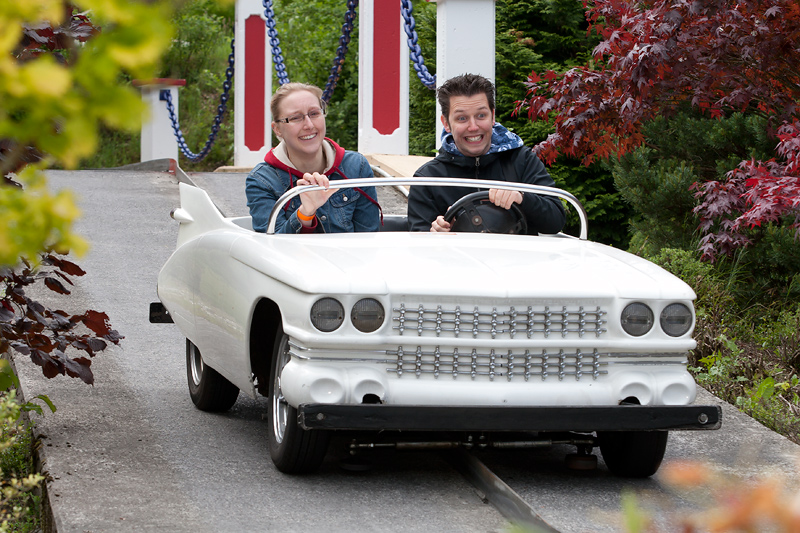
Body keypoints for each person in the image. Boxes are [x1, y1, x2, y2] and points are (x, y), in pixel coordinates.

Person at [407, 73, 566, 234]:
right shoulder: (428, 179)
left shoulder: (522, 160)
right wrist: (436, 234)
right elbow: (419, 241)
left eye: (481, 115)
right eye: (462, 118)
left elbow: (556, 221)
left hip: (519, 251)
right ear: (446, 123)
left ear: (493, 116)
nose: (473, 127)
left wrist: (522, 198)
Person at [246, 82, 380, 233]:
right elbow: (271, 244)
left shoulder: (356, 166)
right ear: (277, 129)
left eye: (314, 113)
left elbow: (369, 237)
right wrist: (305, 214)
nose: (309, 125)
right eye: (295, 118)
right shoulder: (262, 180)